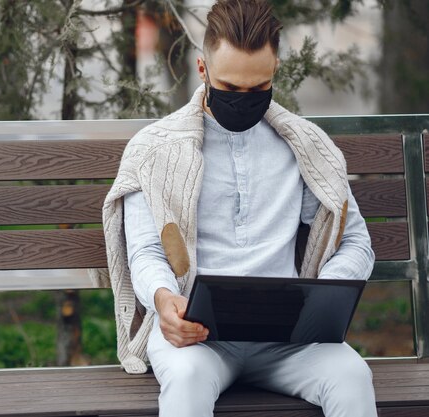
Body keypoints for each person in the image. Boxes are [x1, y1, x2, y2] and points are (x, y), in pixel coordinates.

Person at [89, 1, 377, 416]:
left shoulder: (306, 147)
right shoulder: (155, 150)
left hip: (289, 339)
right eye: (230, 88)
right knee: (186, 380)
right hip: (195, 339)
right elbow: (147, 251)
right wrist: (163, 298)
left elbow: (354, 242)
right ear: (203, 70)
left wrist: (323, 296)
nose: (243, 100)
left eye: (258, 89)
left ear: (275, 68)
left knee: (352, 376)